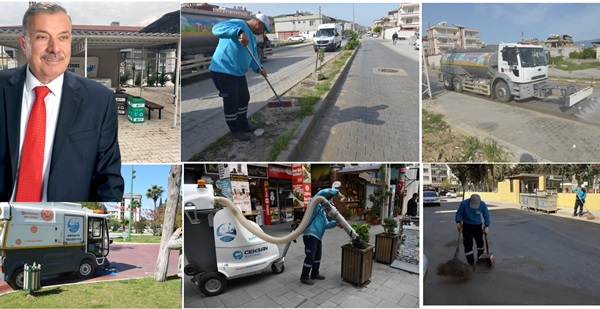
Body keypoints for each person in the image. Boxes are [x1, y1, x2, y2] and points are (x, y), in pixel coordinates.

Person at [0, 3, 124, 202]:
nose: (55, 48)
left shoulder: (99, 101)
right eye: (42, 36)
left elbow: (108, 178)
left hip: (62, 223)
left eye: (63, 37)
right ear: (24, 43)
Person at [209, 14, 270, 142]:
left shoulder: (252, 37)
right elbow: (216, 29)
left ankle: (244, 124)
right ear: (259, 23)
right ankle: (235, 130)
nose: (263, 33)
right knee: (232, 102)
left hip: (238, 73)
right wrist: (239, 32)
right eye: (264, 29)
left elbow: (252, 55)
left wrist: (259, 68)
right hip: (224, 71)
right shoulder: (238, 24)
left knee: (243, 98)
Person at [300, 187, 345, 285]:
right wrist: (337, 193)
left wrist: (336, 223)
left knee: (317, 256)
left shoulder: (321, 211)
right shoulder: (314, 203)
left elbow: (326, 224)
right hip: (310, 235)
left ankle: (315, 273)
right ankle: (304, 276)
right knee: (310, 256)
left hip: (318, 236)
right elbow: (321, 192)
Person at [455, 194, 490, 269]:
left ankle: (480, 260)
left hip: (477, 226)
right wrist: (458, 223)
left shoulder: (482, 205)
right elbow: (458, 213)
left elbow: (486, 216)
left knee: (480, 244)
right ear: (469, 201)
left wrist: (487, 226)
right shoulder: (464, 203)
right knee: (468, 245)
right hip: (467, 226)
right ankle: (471, 263)